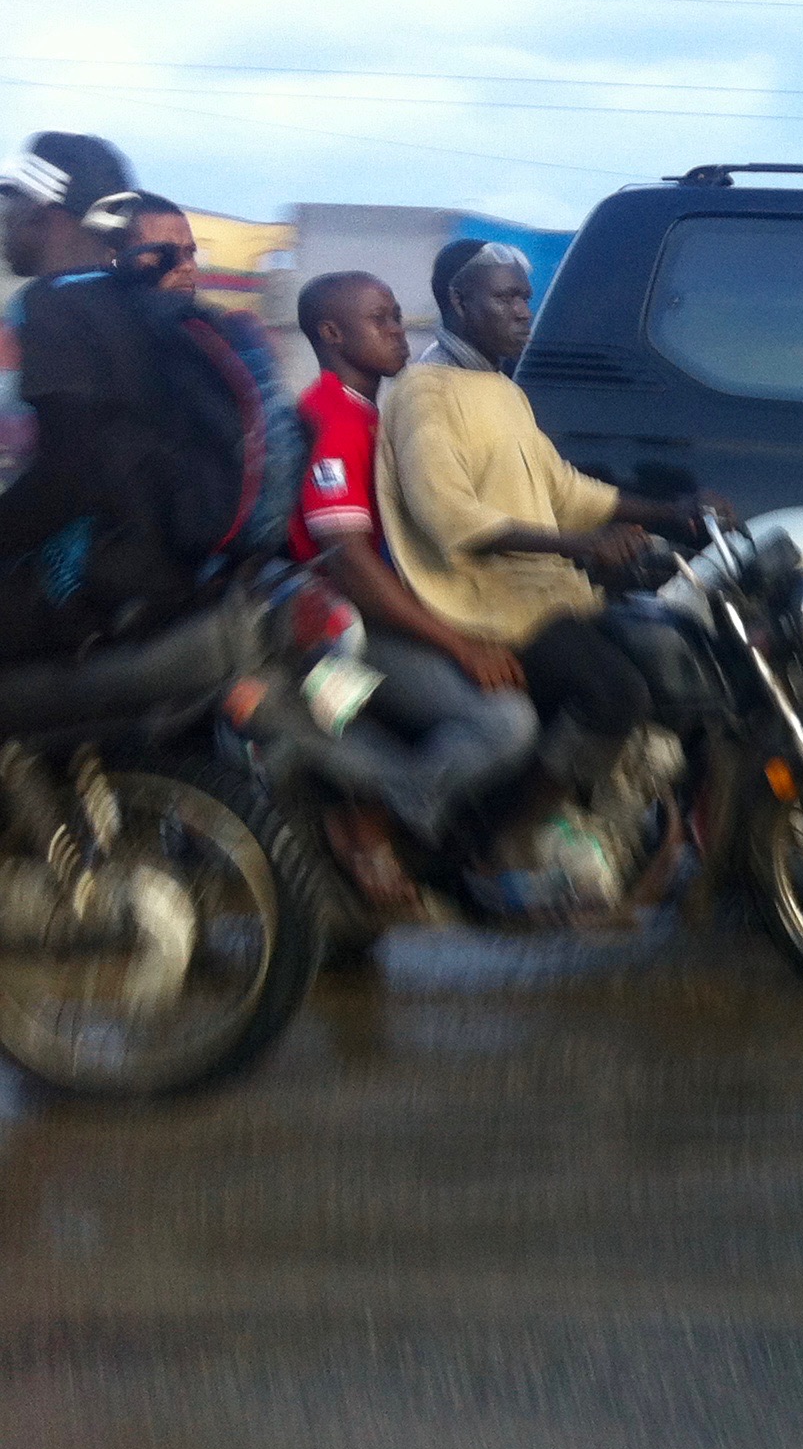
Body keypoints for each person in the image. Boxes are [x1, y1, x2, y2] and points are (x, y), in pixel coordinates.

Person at [376, 239, 724, 784]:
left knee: (661, 658)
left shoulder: (500, 388)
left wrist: (672, 511)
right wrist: (582, 544)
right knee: (614, 695)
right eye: (506, 297)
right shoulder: (426, 391)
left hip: (541, 592)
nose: (522, 311)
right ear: (459, 301)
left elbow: (561, 489)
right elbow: (448, 516)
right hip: (484, 604)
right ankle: (513, 841)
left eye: (525, 297)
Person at [287, 270, 540, 900]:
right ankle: (372, 822)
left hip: (380, 616)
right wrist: (459, 645)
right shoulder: (334, 423)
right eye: (383, 320)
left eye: (399, 315)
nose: (401, 332)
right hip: (344, 629)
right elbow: (351, 566)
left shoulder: (374, 414)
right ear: (332, 333)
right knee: (504, 724)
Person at [0, 146, 291, 660]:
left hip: (101, 578)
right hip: (178, 561)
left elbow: (69, 471)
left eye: (12, 205)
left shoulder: (55, 303)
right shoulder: (142, 302)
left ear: (44, 215)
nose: (5, 222)